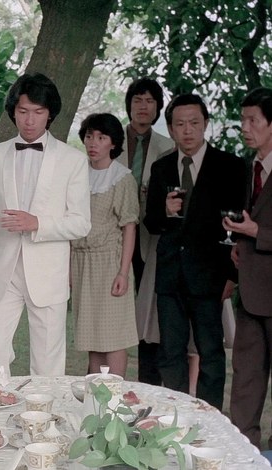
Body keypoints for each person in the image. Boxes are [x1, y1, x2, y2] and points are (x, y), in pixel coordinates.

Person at [0, 72, 91, 377]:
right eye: (23, 111)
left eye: (38, 112)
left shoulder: (72, 160)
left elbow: (81, 223)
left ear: (50, 114)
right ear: (13, 112)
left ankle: (46, 409)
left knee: (47, 362)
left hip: (48, 273)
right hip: (5, 270)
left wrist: (37, 223)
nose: (30, 120)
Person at [143, 93, 245, 410]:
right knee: (169, 353)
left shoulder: (230, 166)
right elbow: (151, 223)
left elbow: (237, 227)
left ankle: (208, 417)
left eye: (194, 123)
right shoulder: (161, 168)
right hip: (170, 276)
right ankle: (176, 416)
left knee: (211, 354)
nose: (187, 130)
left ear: (206, 125)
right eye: (180, 124)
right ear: (171, 128)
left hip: (211, 276)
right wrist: (165, 211)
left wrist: (231, 276)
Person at [72, 113, 139, 377]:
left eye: (101, 137)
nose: (93, 143)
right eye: (89, 136)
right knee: (92, 336)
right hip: (81, 261)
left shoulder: (121, 178)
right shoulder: (77, 174)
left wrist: (123, 272)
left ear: (113, 143)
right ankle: (95, 394)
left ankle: (114, 394)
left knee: (112, 337)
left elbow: (129, 226)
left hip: (109, 262)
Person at [119, 78, 175, 385]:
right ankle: (107, 378)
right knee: (113, 309)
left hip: (150, 240)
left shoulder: (168, 147)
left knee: (148, 313)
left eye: (150, 101)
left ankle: (148, 383)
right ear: (129, 104)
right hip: (114, 238)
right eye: (138, 100)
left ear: (158, 108)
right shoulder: (111, 139)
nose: (143, 106)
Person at [226, 87, 272, 446]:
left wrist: (257, 233)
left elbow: (259, 226)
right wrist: (239, 244)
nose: (245, 127)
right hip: (250, 294)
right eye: (243, 120)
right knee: (244, 381)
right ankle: (243, 454)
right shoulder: (248, 168)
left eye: (253, 120)